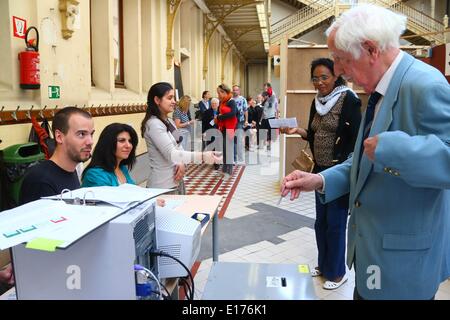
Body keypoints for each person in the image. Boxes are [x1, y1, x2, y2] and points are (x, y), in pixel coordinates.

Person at [281, 4, 450, 300]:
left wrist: (392, 149)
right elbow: (363, 161)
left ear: (371, 50)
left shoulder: (425, 84)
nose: (339, 70)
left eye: (342, 59)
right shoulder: (378, 93)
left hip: (402, 266)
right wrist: (320, 180)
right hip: (373, 255)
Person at [280, 58, 361, 290]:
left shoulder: (349, 100)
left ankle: (337, 273)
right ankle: (324, 265)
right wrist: (298, 131)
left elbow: (355, 138)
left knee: (335, 223)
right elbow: (315, 135)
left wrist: (348, 168)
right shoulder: (317, 102)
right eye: (315, 78)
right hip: (319, 170)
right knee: (321, 222)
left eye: (324, 77)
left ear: (336, 76)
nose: (319, 82)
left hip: (338, 172)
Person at [141, 82, 221, 194]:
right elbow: (171, 154)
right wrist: (202, 156)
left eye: (173, 97)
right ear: (157, 100)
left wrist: (182, 162)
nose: (174, 101)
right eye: (169, 98)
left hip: (177, 181)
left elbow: (179, 146)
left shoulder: (169, 121)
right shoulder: (154, 124)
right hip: (162, 186)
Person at [20, 107, 94, 204]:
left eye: (91, 134)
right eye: (81, 134)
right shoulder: (40, 180)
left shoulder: (71, 171)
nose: (90, 142)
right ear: (59, 137)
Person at [82, 123, 137, 187]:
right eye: (122, 140)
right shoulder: (95, 174)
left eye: (130, 141)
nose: (128, 145)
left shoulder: (122, 168)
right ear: (108, 144)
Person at [216, 84, 237, 179]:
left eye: (220, 92)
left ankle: (228, 172)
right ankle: (224, 169)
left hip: (230, 128)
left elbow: (233, 113)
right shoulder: (222, 102)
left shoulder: (231, 101)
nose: (218, 95)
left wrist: (220, 117)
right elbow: (218, 112)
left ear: (225, 92)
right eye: (218, 93)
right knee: (224, 149)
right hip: (223, 128)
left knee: (228, 149)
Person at [232, 85, 248, 163]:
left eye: (236, 90)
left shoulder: (242, 99)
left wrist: (246, 120)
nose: (235, 91)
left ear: (239, 91)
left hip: (239, 121)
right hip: (231, 121)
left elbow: (245, 110)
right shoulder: (230, 100)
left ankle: (240, 157)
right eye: (234, 90)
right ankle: (234, 157)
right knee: (233, 139)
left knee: (239, 139)